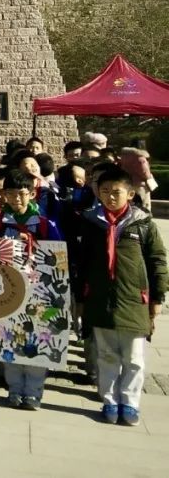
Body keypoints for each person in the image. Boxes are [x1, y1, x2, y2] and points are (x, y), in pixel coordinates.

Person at [72, 166, 167, 426]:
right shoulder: (91, 222)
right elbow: (82, 263)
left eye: (117, 192)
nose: (111, 197)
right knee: (106, 355)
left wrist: (158, 297)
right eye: (105, 192)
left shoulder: (142, 223)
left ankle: (130, 402)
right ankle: (110, 401)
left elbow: (158, 260)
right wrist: (80, 299)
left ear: (131, 193)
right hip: (99, 299)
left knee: (134, 358)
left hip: (134, 299)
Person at [0, 168, 62, 410]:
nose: (16, 199)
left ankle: (34, 391)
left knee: (39, 337)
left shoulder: (44, 223)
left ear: (31, 194)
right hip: (7, 290)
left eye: (21, 193)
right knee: (10, 338)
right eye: (10, 194)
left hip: (40, 292)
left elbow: (59, 257)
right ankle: (15, 388)